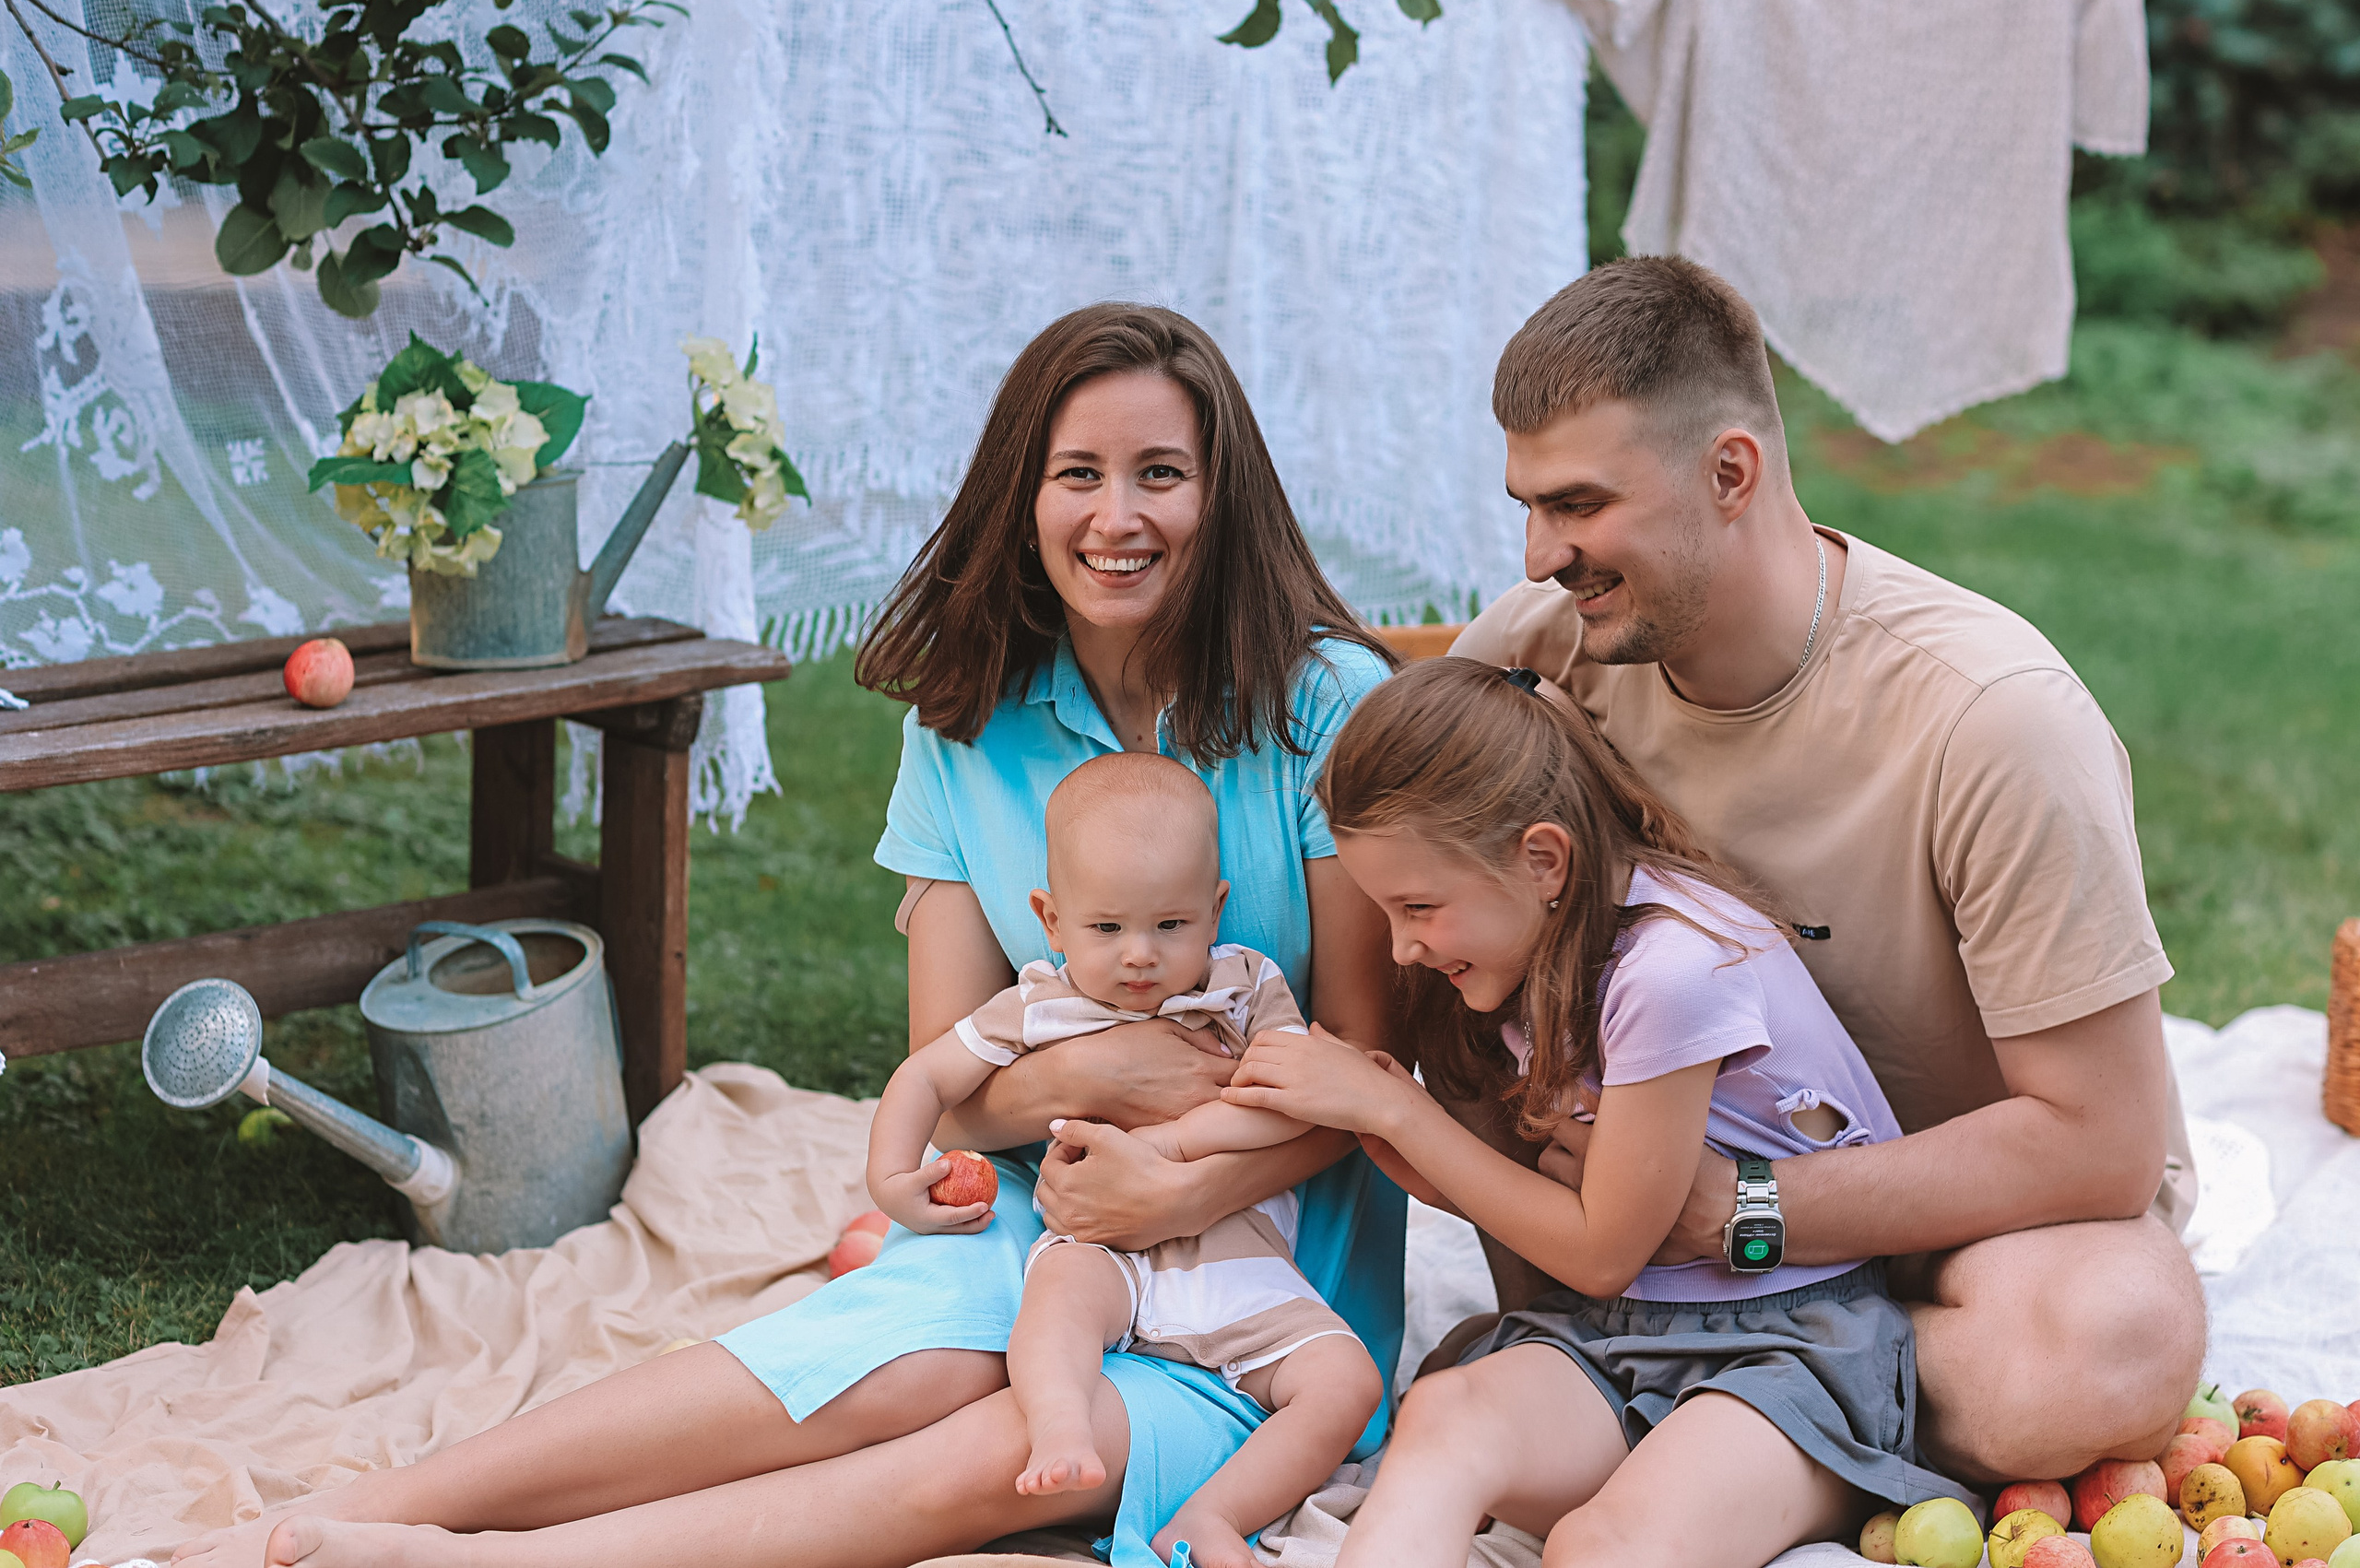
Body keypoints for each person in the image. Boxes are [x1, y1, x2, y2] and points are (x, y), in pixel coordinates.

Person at [170, 303, 1404, 1568]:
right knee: (881, 1365)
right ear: (1022, 493)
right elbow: (952, 1088)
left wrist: (1183, 1183)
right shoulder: (964, 723)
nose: (1116, 516)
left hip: (1267, 1276)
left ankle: (492, 1564)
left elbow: (1370, 1071)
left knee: (1003, 1449)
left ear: (1222, 492)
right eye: (1077, 473)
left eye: (1161, 474)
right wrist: (1100, 1076)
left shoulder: (1322, 708)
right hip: (1052, 1216)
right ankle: (370, 1510)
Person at [1437, 254, 2204, 1485]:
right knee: (1424, 928)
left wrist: (1743, 1210)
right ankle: (1675, 1386)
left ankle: (1686, 1410)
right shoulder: (1540, 661)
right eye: (1527, 505)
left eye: (1577, 505)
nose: (1539, 555)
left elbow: (2103, 1142)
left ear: (1730, 473)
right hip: (1640, 1226)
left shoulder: (1993, 719)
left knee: (2114, 1339)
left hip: (1954, 1233)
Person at [1223, 656, 1977, 1564]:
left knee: (1601, 1544)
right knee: (1445, 1415)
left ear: (1543, 859)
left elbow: (1600, 1248)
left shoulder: (1672, 970)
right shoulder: (1556, 944)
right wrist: (1402, 1144)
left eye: (1418, 907)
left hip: (1791, 1351)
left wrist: (1401, 1112)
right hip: (1622, 1334)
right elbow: (1581, 1224)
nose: (1403, 948)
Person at [869, 751, 1385, 1567]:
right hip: (1098, 1242)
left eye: (1170, 925)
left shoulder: (1246, 988)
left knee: (1347, 1382)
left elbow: (1301, 1096)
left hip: (1235, 1252)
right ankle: (1061, 1426)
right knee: (1055, 1308)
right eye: (1107, 928)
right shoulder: (1040, 1002)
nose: (1139, 954)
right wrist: (892, 1177)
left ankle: (1210, 1518)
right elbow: (928, 1072)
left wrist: (1173, 1145)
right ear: (1051, 919)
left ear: (1215, 909)